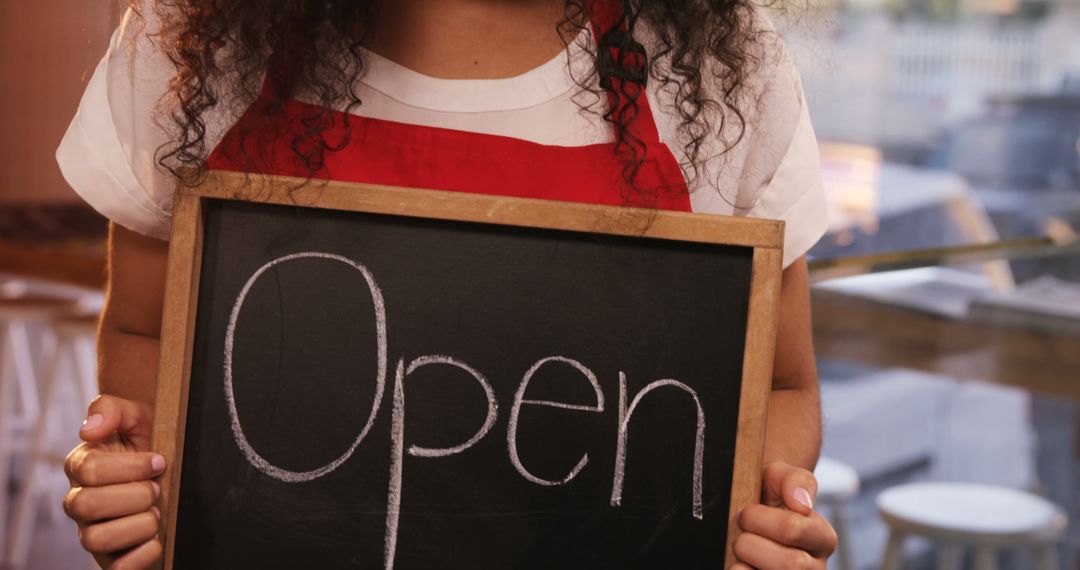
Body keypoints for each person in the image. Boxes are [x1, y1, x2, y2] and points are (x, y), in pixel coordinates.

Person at [57, 0, 837, 568]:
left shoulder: (720, 62)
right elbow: (146, 332)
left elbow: (782, 386)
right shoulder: (199, 38)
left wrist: (754, 530)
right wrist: (143, 501)